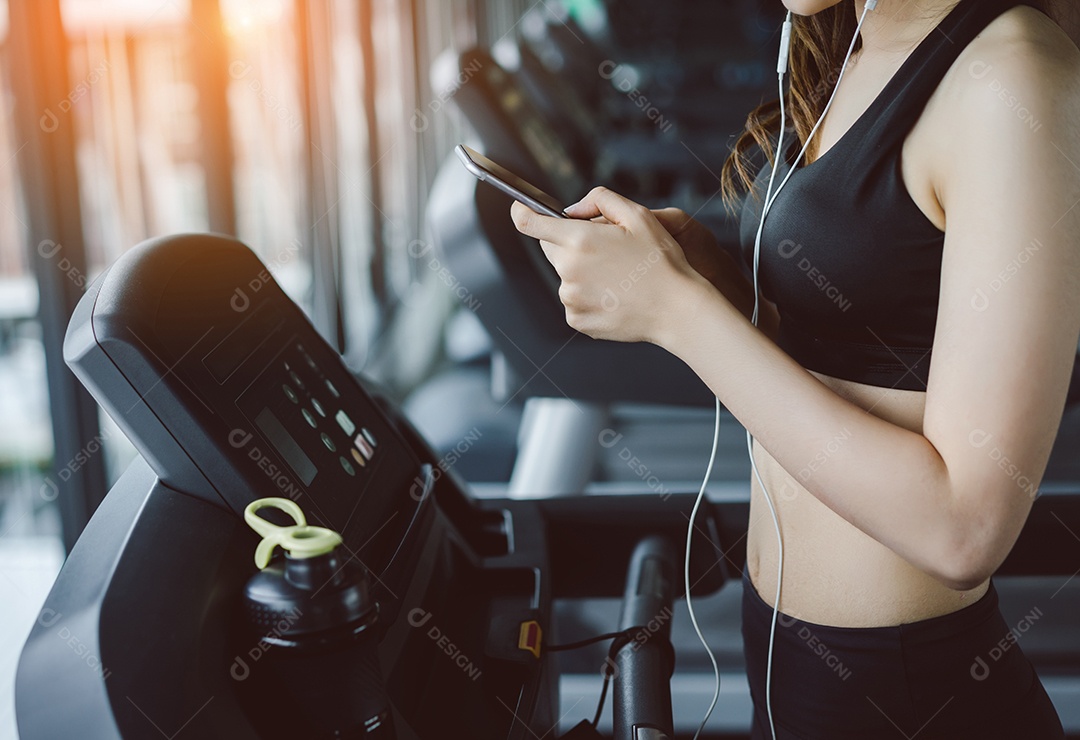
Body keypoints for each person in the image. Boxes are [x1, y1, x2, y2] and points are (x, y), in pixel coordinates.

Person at [510, 0, 1080, 736]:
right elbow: (866, 339)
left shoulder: (1015, 76)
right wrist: (715, 282)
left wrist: (681, 314)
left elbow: (964, 529)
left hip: (908, 692)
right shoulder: (858, 37)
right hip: (785, 657)